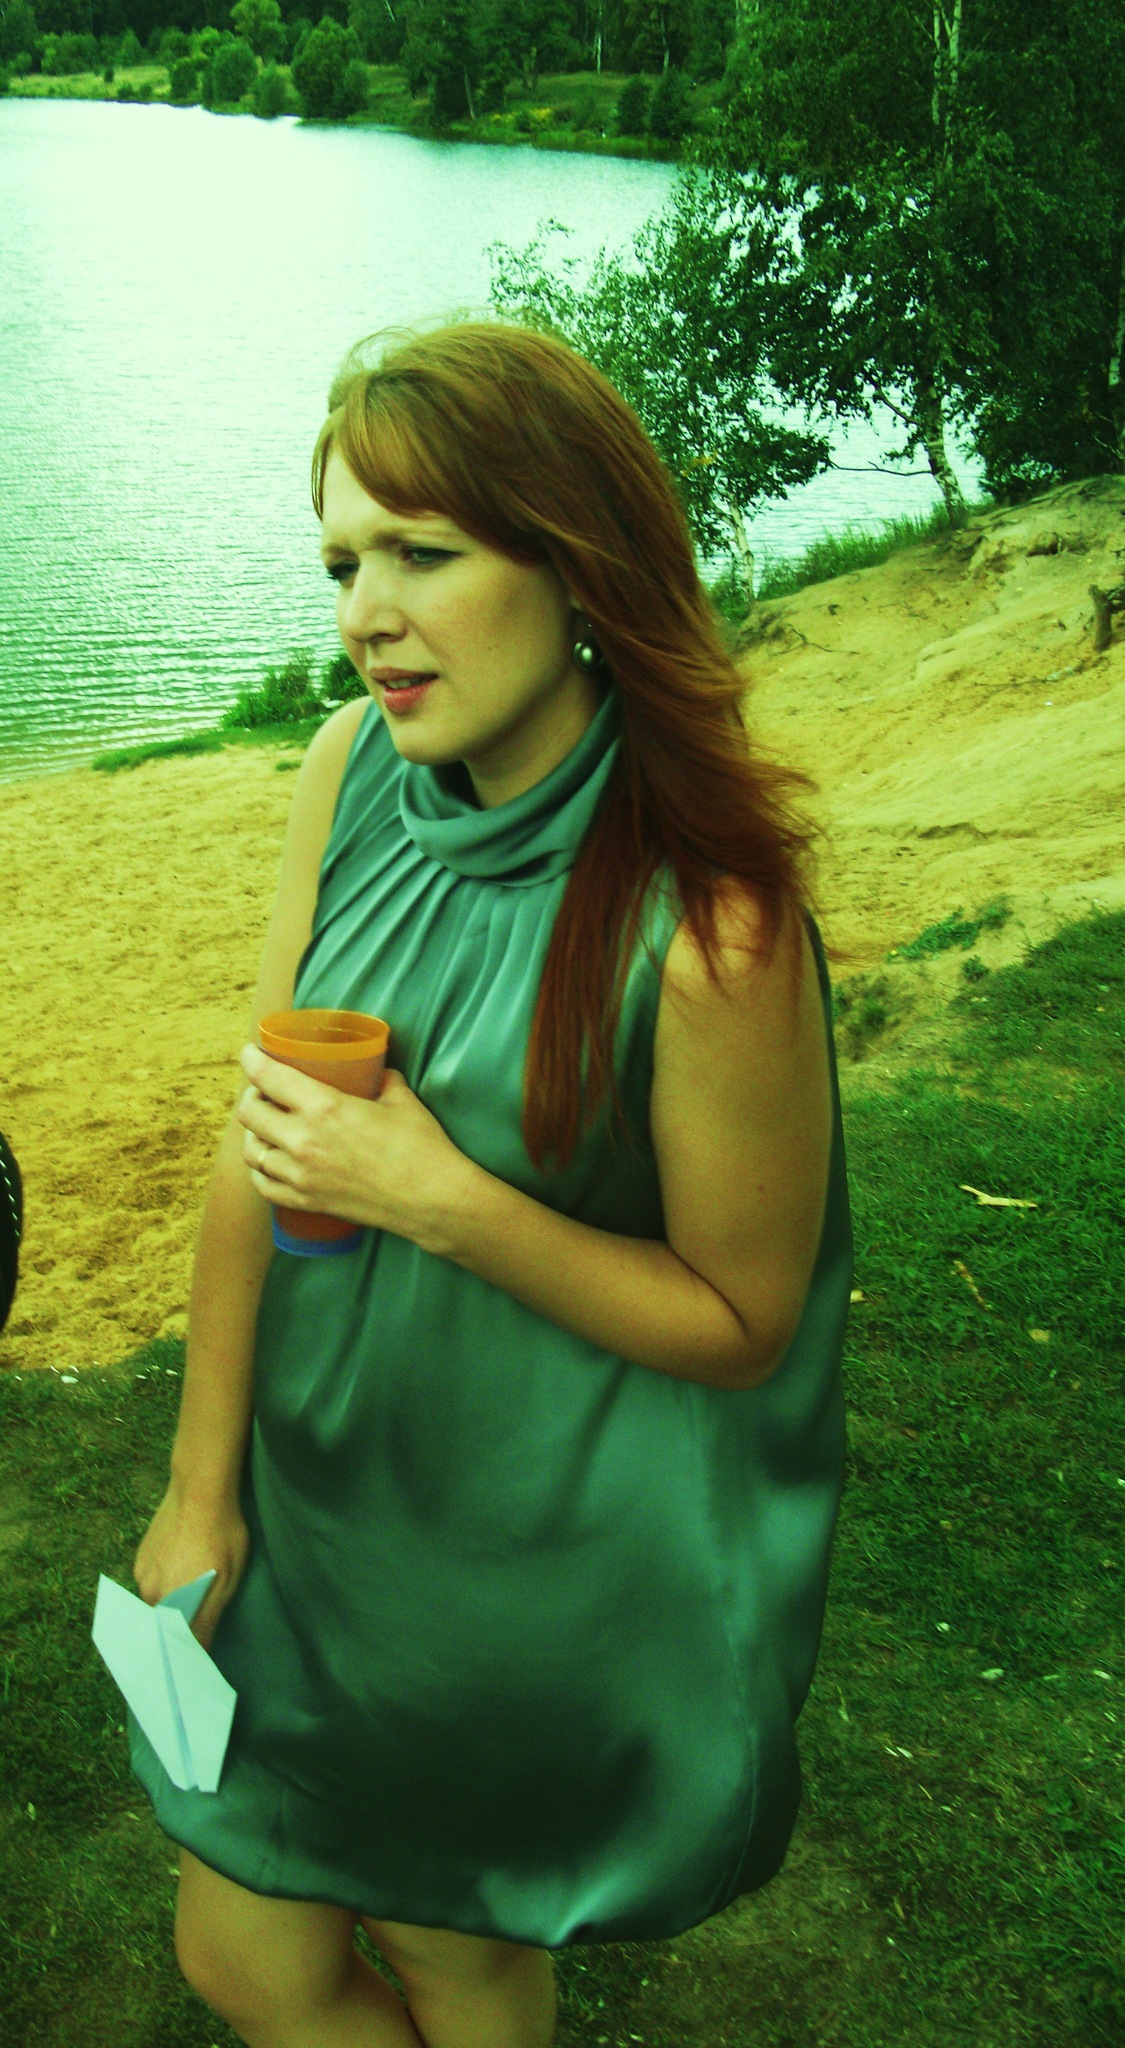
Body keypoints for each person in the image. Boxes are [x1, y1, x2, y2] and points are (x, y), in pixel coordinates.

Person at [130, 318, 851, 2048]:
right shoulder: (347, 773)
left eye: (422, 554)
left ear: (573, 559)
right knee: (244, 1956)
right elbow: (255, 1139)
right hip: (317, 1500)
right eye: (341, 564)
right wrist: (199, 1490)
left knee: (451, 1953)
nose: (364, 613)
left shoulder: (712, 925)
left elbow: (744, 1322)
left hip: (518, 1558)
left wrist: (438, 1197)